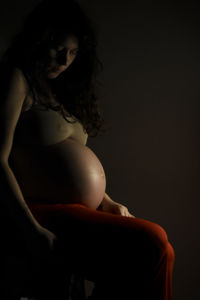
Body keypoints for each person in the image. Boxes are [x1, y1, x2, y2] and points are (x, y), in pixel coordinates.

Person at [0, 0, 175, 299]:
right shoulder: (17, 79)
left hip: (77, 211)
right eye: (57, 47)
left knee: (157, 254)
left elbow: (64, 167)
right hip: (39, 212)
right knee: (155, 244)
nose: (64, 59)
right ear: (39, 39)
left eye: (73, 52)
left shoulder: (56, 93)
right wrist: (31, 229)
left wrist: (107, 202)